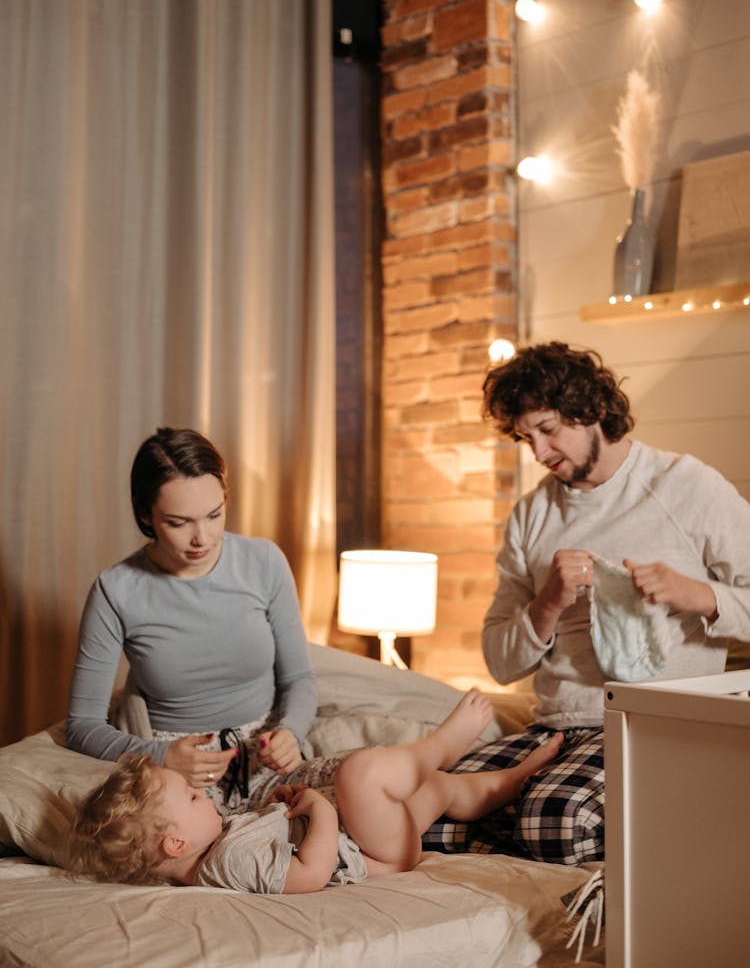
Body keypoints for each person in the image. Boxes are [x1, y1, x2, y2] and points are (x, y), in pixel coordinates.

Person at [424, 341, 750, 866]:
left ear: (593, 409)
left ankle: (542, 825)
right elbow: (499, 662)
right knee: (418, 805)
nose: (539, 453)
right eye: (526, 437)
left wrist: (699, 595)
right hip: (556, 727)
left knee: (554, 820)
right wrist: (547, 604)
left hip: (650, 726)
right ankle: (545, 827)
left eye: (548, 429)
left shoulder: (685, 487)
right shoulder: (532, 516)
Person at [66, 427, 326, 813]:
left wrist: (290, 731)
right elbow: (82, 725)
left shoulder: (264, 561)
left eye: (214, 515)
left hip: (269, 755)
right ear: (145, 515)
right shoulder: (115, 589)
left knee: (370, 784)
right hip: (179, 775)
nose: (202, 538)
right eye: (178, 522)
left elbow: (298, 679)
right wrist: (159, 755)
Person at [69, 689, 562, 892]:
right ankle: (438, 745)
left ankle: (512, 780)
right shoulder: (229, 861)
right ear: (175, 844)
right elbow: (310, 873)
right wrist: (320, 810)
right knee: (357, 777)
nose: (208, 797)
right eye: (196, 799)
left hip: (374, 838)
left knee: (440, 792)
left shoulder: (217, 848)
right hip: (374, 853)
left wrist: (280, 798)